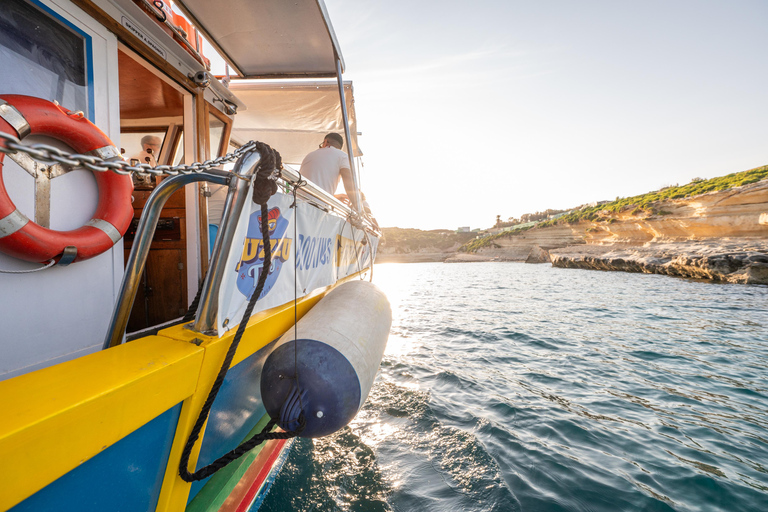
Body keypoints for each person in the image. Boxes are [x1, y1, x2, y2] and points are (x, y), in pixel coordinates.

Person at [299, 133, 358, 210]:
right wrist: (358, 206)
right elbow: (348, 182)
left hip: (294, 202)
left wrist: (334, 197)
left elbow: (311, 185)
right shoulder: (342, 156)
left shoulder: (309, 155)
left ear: (325, 141)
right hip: (316, 207)